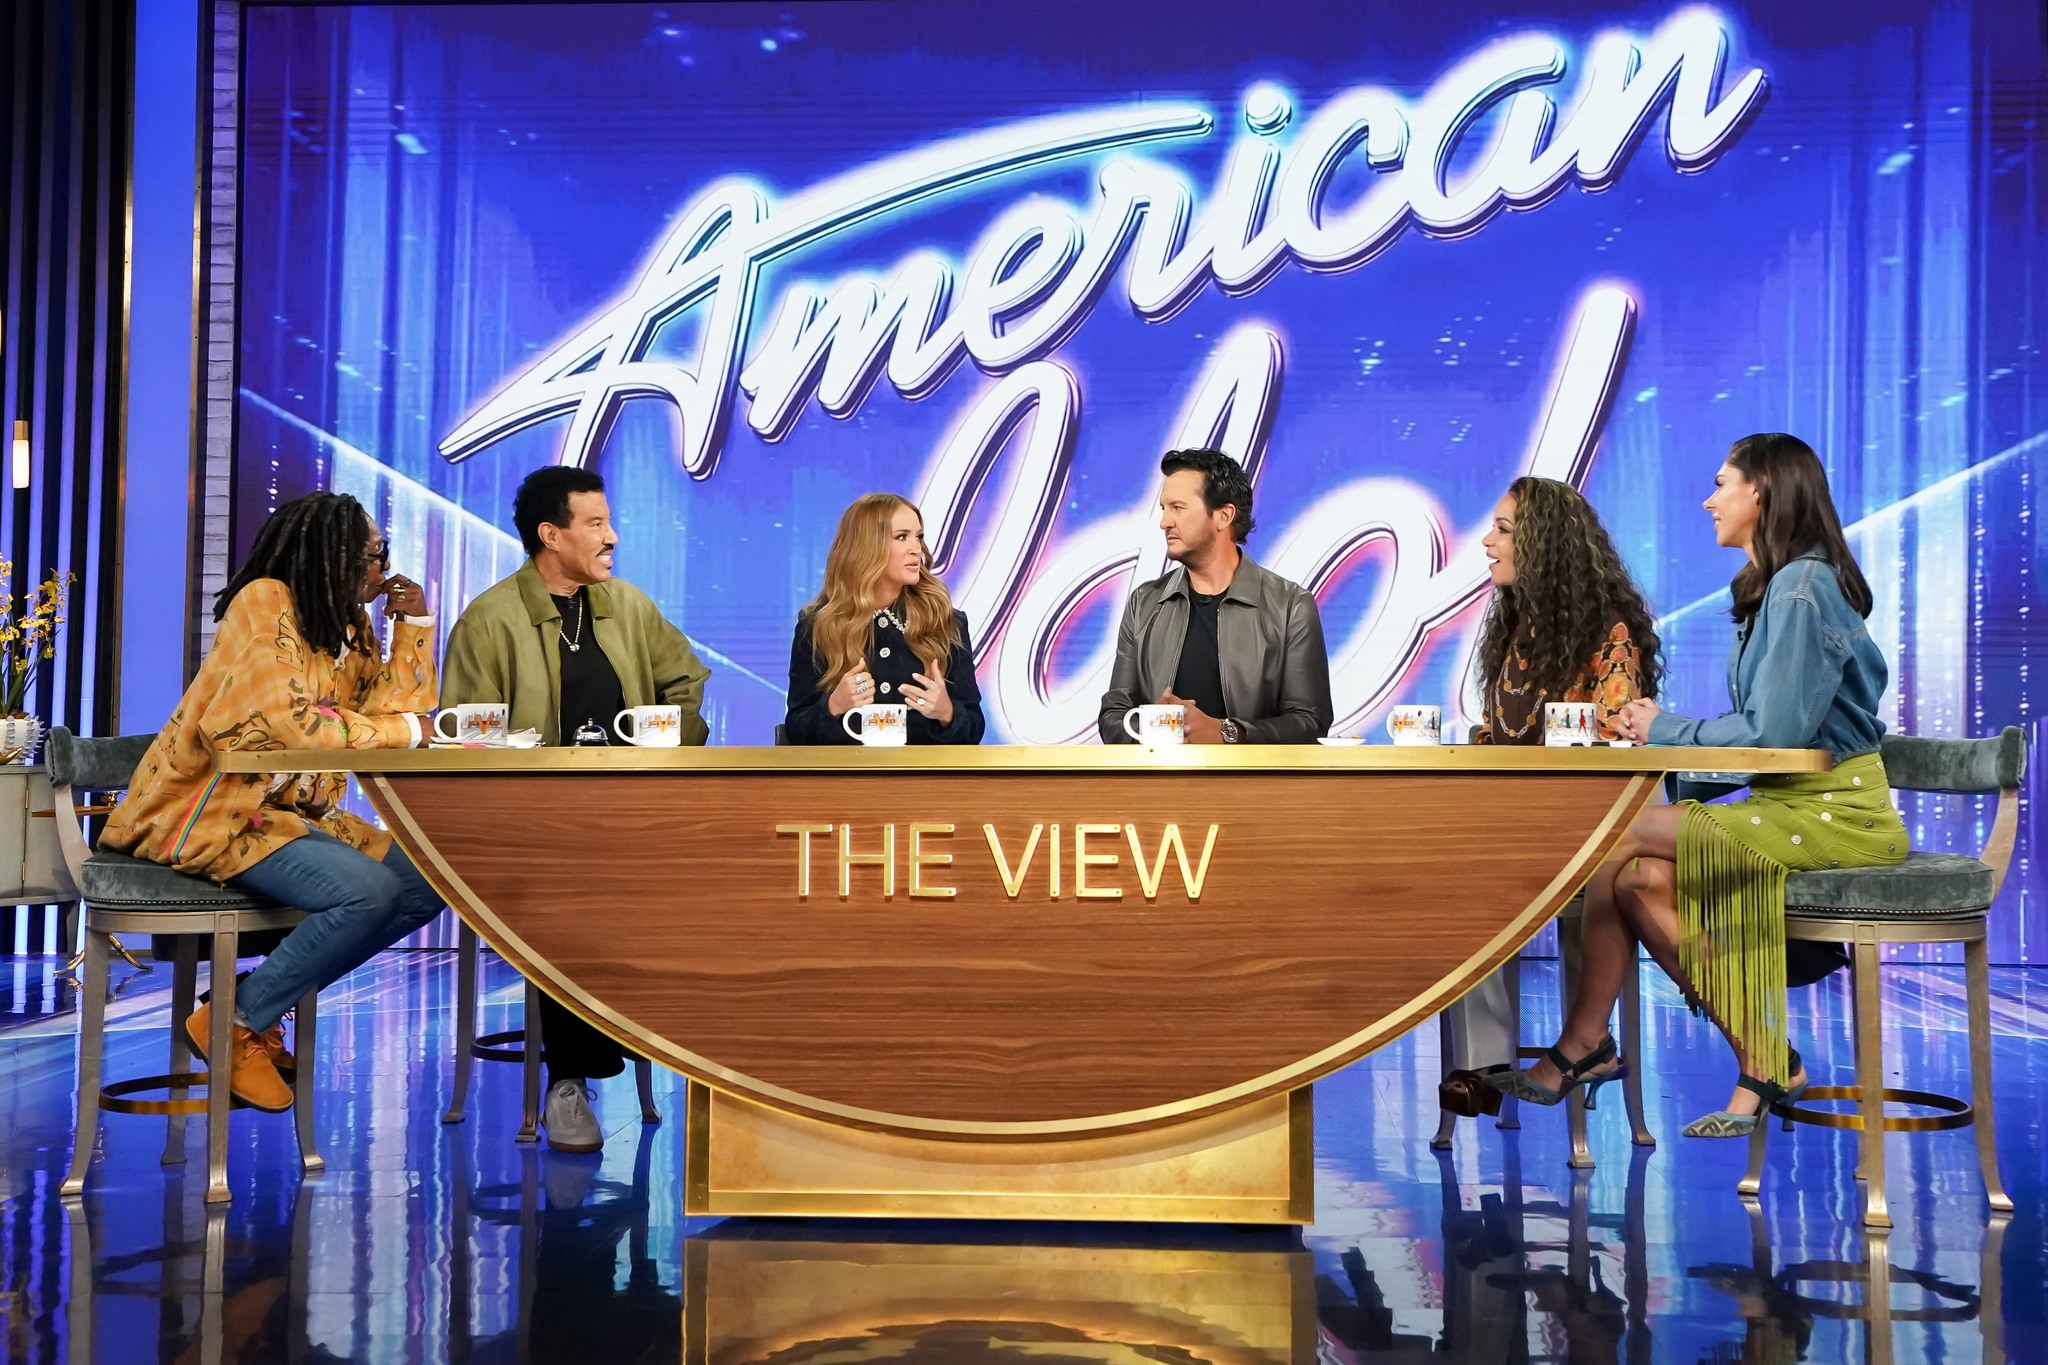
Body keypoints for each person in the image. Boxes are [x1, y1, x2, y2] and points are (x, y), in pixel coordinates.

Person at [1495, 434, 1905, 1137]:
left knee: (1614, 844)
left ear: (1762, 492)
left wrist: (1664, 728)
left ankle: (1589, 1044)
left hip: (1837, 814)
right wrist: (1671, 751)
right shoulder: (1777, 585)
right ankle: (1757, 1056)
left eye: (1722, 484)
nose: (1709, 500)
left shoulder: (1801, 588)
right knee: (1639, 877)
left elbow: (1774, 735)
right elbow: (1765, 740)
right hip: (1784, 803)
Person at [100, 492, 442, 1112]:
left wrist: (412, 631)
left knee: (428, 882)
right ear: (333, 555)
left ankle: (249, 1004)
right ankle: (234, 1024)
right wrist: (404, 731)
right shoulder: (265, 602)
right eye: (375, 554)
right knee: (370, 892)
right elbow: (290, 725)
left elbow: (392, 716)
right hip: (214, 812)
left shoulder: (347, 626)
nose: (385, 568)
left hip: (289, 817)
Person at [441, 466, 712, 1152]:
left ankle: (696, 1059)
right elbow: (466, 736)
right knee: (567, 889)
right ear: (551, 535)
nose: (612, 536)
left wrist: (666, 738)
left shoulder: (628, 606)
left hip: (629, 813)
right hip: (530, 827)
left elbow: (686, 681)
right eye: (595, 523)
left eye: (608, 521)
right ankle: (568, 1080)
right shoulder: (489, 620)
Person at [1440, 477, 1661, 1116]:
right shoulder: (1514, 631)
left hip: (1590, 829)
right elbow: (1501, 735)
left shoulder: (1610, 634)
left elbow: (1618, 744)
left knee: (1480, 877)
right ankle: (1486, 1065)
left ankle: (1563, 1048)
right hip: (1518, 822)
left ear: (1543, 544)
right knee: (1453, 873)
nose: (1488, 542)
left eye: (1504, 530)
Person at [1099, 448, 1332, 745]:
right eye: (1163, 509)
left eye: (1178, 508)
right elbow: (1113, 715)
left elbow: (1310, 722)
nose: (1164, 522)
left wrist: (1225, 732)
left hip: (1251, 776)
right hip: (1161, 775)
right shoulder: (1143, 603)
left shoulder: (1290, 606)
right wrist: (1155, 728)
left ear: (1224, 516)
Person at [783, 493, 984, 746]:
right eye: (902, 537)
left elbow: (974, 727)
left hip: (925, 772)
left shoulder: (945, 622)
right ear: (867, 546)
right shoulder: (818, 626)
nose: (916, 549)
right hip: (849, 772)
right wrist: (834, 705)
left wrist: (947, 712)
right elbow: (796, 729)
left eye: (918, 537)